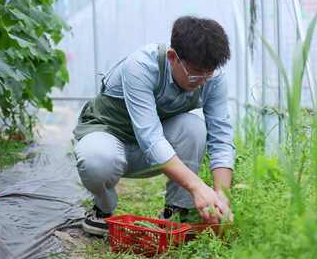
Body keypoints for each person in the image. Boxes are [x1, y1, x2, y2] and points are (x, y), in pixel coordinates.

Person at [73, 16, 235, 236]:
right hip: (109, 135)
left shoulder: (211, 78)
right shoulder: (141, 66)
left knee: (193, 128)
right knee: (97, 159)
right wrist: (198, 187)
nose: (203, 81)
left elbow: (221, 138)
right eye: (196, 74)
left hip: (148, 150)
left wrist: (221, 196)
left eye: (209, 73)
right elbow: (151, 138)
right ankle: (103, 210)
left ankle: (176, 212)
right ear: (172, 57)